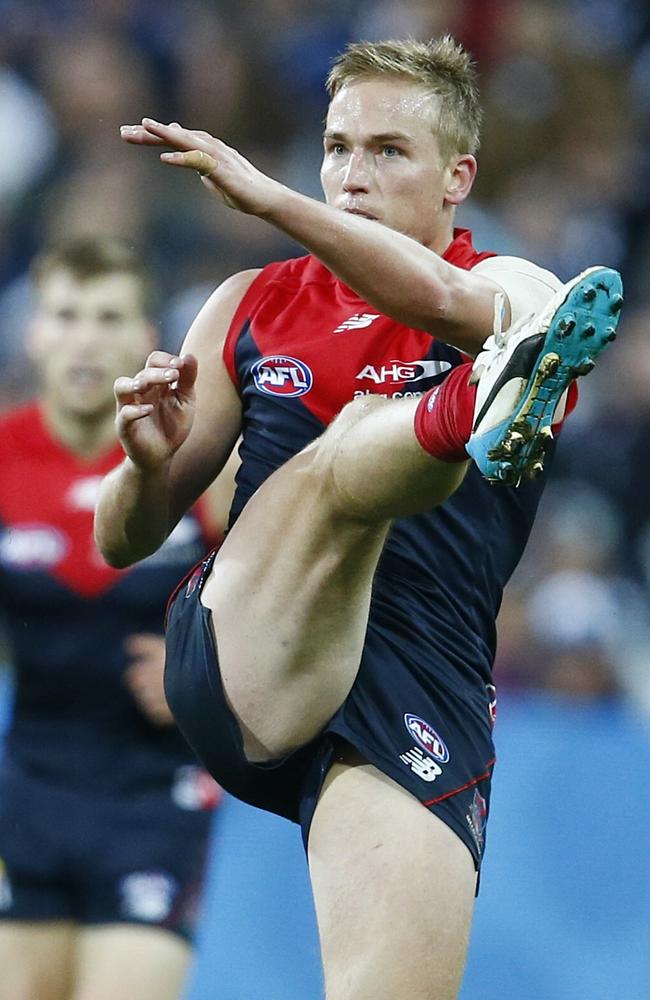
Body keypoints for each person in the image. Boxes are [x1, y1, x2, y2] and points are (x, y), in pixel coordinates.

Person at [96, 37, 624, 1000]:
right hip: (254, 638)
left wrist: (268, 198)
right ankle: (470, 411)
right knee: (350, 450)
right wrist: (141, 461)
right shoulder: (249, 303)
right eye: (338, 148)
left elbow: (436, 295)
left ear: (458, 176)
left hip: (422, 675)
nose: (350, 174)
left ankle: (476, 407)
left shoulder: (518, 291)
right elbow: (119, 539)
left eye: (388, 151)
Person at [0, 237, 227, 1000]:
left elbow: (283, 601)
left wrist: (205, 675)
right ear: (34, 331)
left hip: (154, 797)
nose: (86, 339)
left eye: (109, 317)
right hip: (24, 788)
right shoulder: (3, 458)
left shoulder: (196, 462)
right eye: (65, 315)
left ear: (143, 335)